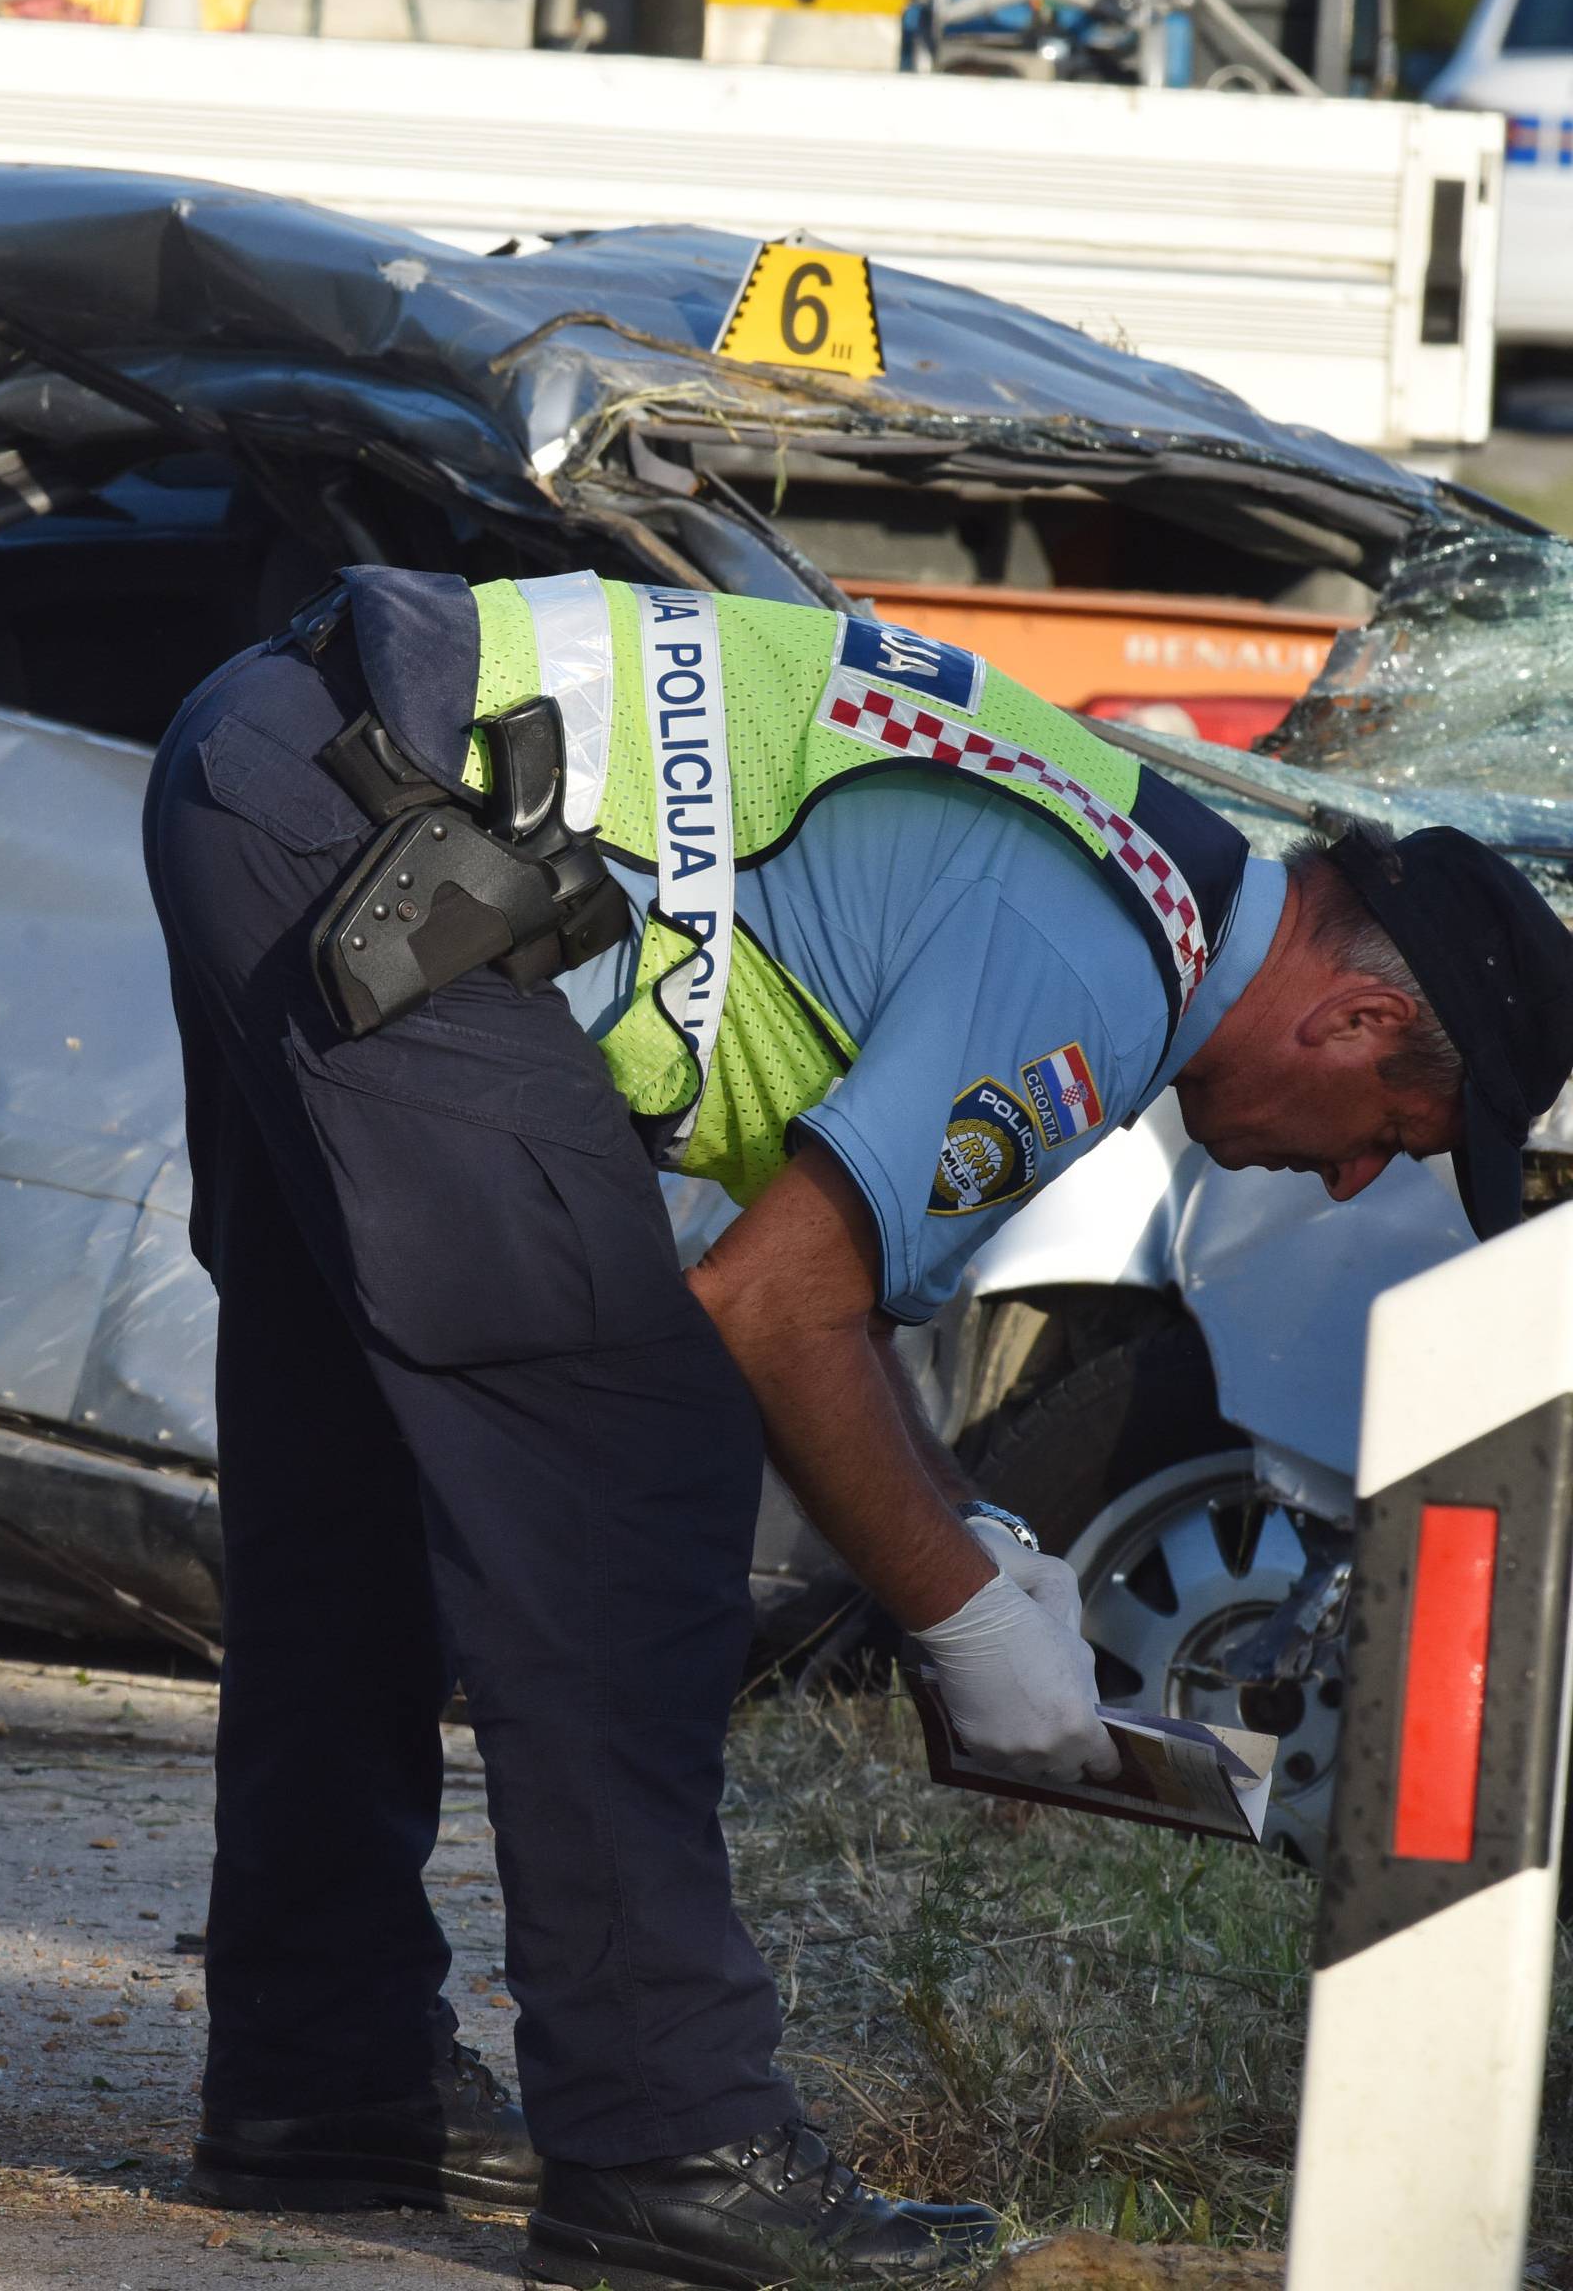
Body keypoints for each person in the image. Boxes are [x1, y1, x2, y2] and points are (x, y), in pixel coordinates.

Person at [143, 565, 1573, 2288]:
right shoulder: (1099, 969)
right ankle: (673, 2145)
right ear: (1353, 1019)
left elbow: (832, 1284)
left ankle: (325, 2079)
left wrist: (967, 1529)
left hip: (292, 769)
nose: (1352, 1173)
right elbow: (764, 1312)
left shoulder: (1144, 863)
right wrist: (963, 1621)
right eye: (1397, 1132)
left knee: (363, 1465)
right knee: (636, 1480)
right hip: (390, 831)